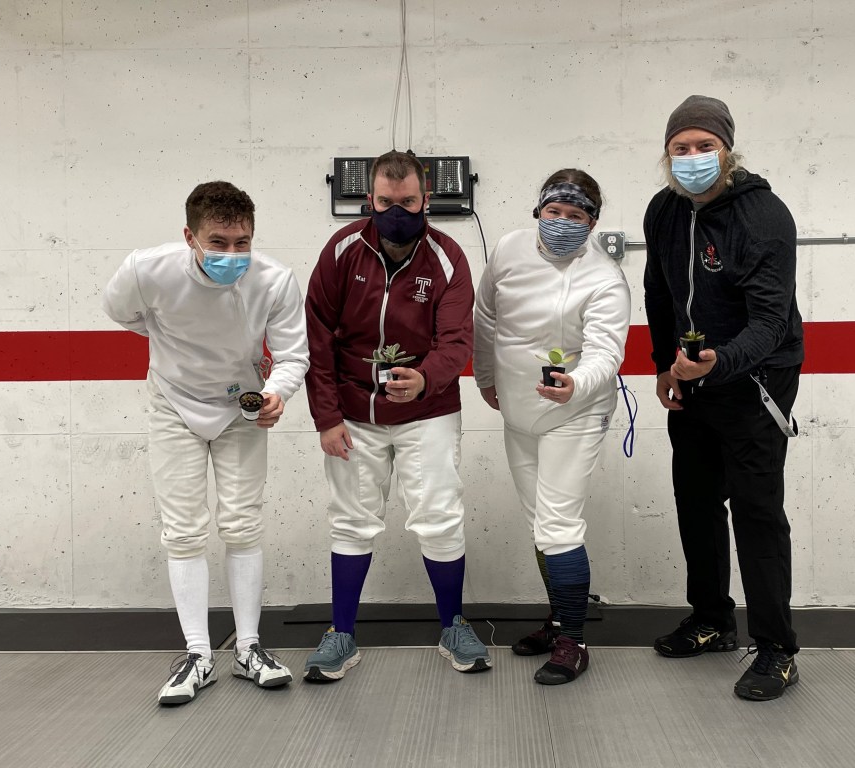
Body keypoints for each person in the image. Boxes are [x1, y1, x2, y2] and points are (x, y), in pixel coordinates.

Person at [103, 180, 309, 705]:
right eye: (218, 242)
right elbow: (121, 313)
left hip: (241, 405)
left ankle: (249, 648)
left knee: (243, 523)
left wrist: (275, 394)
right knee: (183, 531)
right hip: (173, 404)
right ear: (190, 237)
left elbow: (291, 356)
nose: (232, 254)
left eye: (243, 243)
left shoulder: (275, 279)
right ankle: (198, 654)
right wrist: (170, 346)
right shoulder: (146, 269)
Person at [303, 149, 490, 682]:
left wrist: (426, 377)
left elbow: (457, 340)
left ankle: (453, 625)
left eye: (408, 202)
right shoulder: (340, 251)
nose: (397, 212)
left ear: (426, 199)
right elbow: (316, 338)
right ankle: (342, 634)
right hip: (352, 413)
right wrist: (327, 418)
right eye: (386, 202)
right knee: (352, 520)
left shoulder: (449, 256)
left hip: (426, 410)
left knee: (438, 515)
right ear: (370, 199)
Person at [643, 95, 805, 701]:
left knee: (758, 514)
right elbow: (658, 292)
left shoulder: (763, 215)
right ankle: (712, 620)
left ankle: (776, 650)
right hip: (692, 379)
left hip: (755, 383)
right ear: (666, 156)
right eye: (680, 149)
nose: (692, 159)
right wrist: (668, 365)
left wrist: (717, 363)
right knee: (697, 502)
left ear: (727, 150)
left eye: (704, 147)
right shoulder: (663, 211)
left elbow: (770, 320)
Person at [473, 169, 631, 685]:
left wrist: (577, 384)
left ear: (592, 223)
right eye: (554, 212)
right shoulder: (508, 249)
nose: (562, 222)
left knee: (558, 524)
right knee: (539, 521)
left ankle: (573, 641)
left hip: (577, 411)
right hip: (518, 409)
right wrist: (485, 377)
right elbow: (485, 317)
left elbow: (607, 352)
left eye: (577, 216)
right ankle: (558, 617)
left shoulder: (606, 277)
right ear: (538, 210)